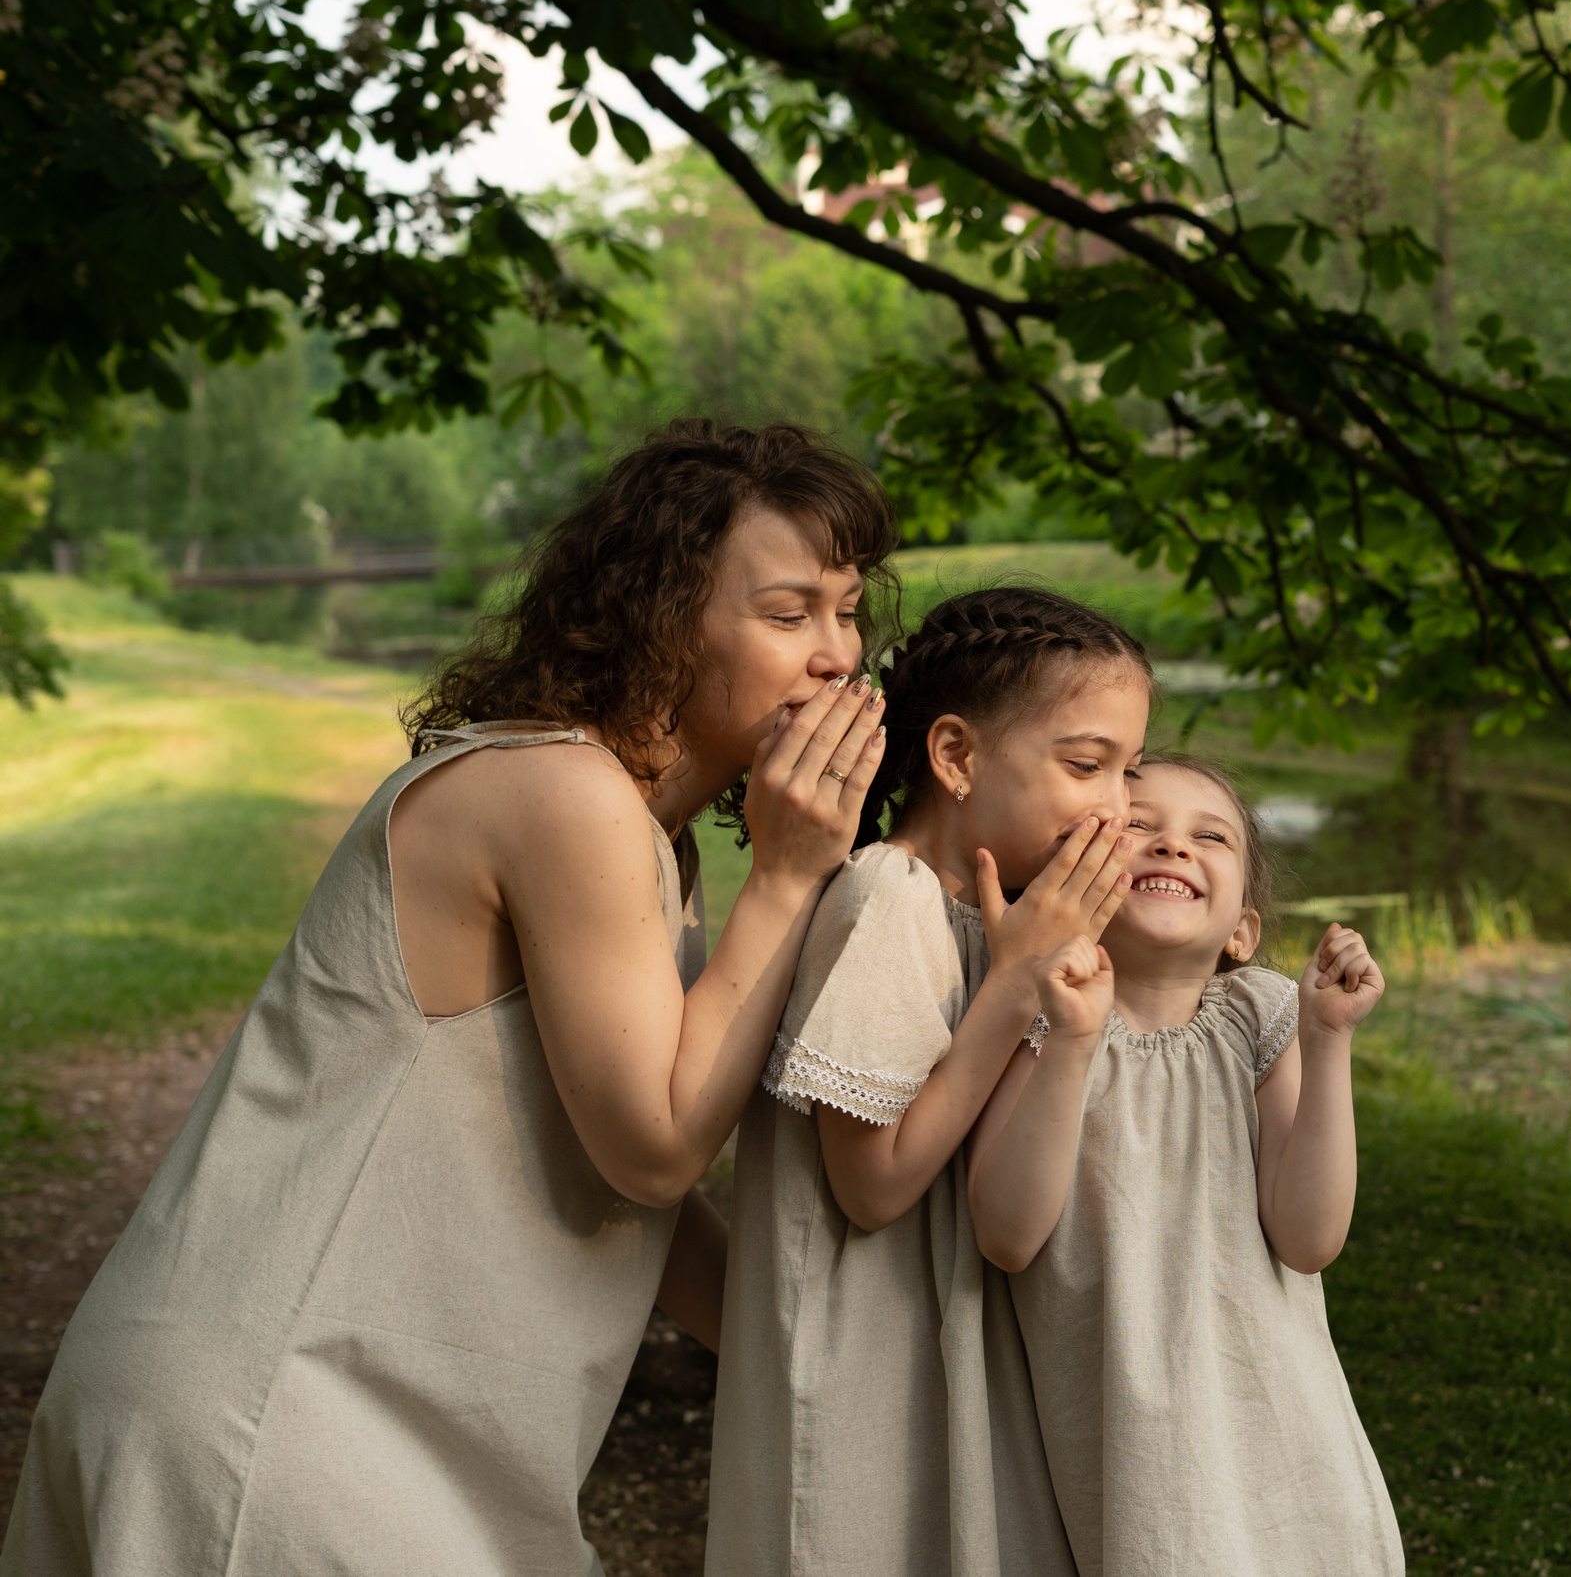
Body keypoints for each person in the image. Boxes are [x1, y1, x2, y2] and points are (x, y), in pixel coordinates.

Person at [0, 420, 894, 1577]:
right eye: (788, 614)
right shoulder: (560, 792)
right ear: (663, 621)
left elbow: (627, 1208)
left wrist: (851, 1366)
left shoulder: (641, 839)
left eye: (847, 609)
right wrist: (786, 871)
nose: (837, 656)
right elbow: (654, 1153)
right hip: (279, 1417)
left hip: (364, 1424)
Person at [706, 586, 1152, 1577]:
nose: (1119, 808)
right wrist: (1014, 983)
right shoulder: (889, 897)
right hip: (859, 1372)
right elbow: (873, 1186)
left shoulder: (1001, 920)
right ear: (956, 757)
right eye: (1087, 765)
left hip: (940, 1353)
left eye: (1131, 770)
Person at [968, 752, 1404, 1576]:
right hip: (1137, 1450)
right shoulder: (1041, 1018)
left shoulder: (1261, 1017)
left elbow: (1308, 1237)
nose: (1172, 847)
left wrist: (1328, 1039)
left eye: (1209, 836)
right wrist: (1071, 1039)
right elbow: (1007, 1234)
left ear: (1243, 926)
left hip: (1283, 1426)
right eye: (1138, 826)